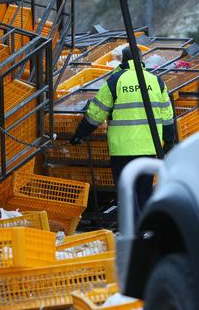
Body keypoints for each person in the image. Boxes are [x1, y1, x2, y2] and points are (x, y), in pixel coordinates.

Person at [69, 47, 175, 219]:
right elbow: (167, 116)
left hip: (122, 149)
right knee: (144, 191)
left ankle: (133, 230)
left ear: (122, 60)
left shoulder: (114, 81)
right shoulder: (156, 81)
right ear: (142, 59)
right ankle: (145, 229)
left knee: (127, 191)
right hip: (149, 147)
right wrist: (169, 141)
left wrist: (79, 134)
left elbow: (96, 113)